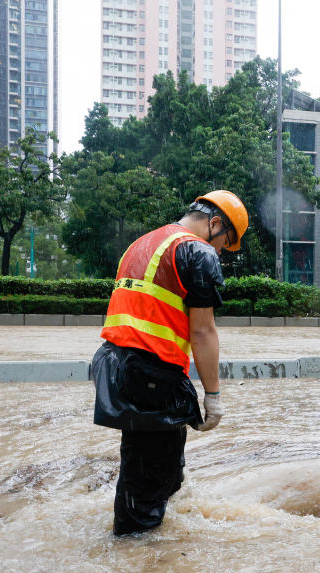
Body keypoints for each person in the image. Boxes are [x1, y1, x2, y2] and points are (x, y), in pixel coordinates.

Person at [91, 190, 249, 536]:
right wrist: (213, 396)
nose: (222, 251)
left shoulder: (143, 243)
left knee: (153, 467)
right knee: (148, 483)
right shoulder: (196, 251)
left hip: (116, 367)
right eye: (226, 242)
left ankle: (147, 534)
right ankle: (139, 563)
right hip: (151, 374)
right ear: (215, 223)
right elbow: (204, 331)